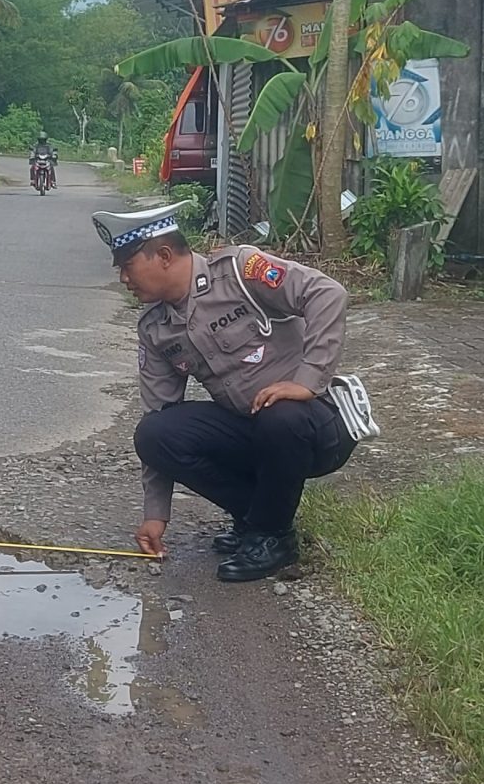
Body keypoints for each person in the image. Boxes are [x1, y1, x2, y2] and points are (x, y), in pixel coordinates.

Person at [95, 201, 357, 583]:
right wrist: (155, 514)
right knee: (155, 434)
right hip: (254, 428)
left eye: (127, 265)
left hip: (317, 423)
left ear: (164, 256)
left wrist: (307, 379)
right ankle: (259, 518)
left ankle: (274, 538)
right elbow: (158, 411)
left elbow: (327, 294)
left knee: (280, 416)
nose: (123, 278)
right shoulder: (155, 328)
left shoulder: (239, 272)